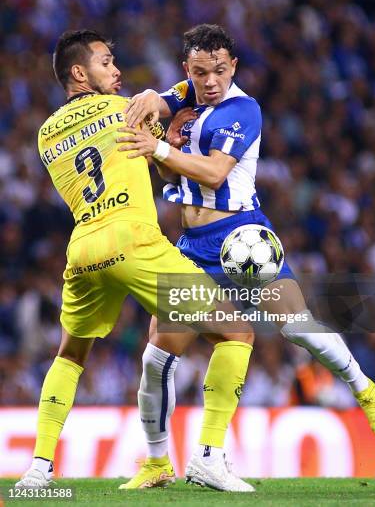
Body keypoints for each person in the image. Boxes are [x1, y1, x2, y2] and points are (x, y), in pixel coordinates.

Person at [117, 23, 375, 489]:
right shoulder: (185, 95)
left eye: (221, 71)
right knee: (156, 358)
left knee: (296, 325)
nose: (211, 81)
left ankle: (361, 386)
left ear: (235, 68)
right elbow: (167, 114)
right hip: (190, 247)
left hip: (240, 238)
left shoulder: (243, 109)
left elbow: (213, 172)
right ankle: (157, 463)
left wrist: (160, 146)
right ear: (188, 69)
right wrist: (153, 108)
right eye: (201, 72)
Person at [16, 29, 255, 493]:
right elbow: (167, 166)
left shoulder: (46, 134)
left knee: (70, 355)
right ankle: (208, 455)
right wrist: (169, 136)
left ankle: (38, 468)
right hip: (135, 239)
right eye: (107, 62)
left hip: (83, 248)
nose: (118, 71)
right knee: (236, 331)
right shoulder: (126, 109)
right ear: (79, 72)